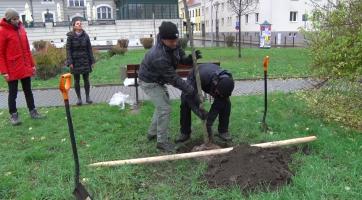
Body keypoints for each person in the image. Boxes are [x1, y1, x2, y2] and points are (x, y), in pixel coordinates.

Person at [138, 21, 201, 153]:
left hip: (159, 80)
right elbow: (174, 79)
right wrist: (190, 90)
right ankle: (161, 142)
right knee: (164, 108)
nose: (174, 43)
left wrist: (189, 59)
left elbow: (180, 57)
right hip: (149, 82)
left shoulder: (173, 43)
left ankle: (152, 133)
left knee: (162, 105)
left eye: (175, 40)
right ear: (162, 39)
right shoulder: (158, 55)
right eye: (171, 41)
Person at [0, 8, 44, 126]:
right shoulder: (3, 31)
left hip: (24, 67)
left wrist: (32, 65)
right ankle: (14, 115)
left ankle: (33, 111)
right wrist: (4, 72)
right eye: (14, 19)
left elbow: (27, 50)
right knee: (12, 93)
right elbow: (1, 54)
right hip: (12, 68)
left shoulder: (22, 29)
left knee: (28, 91)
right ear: (9, 20)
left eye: (17, 18)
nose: (16, 21)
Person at [176, 63, 235, 143]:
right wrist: (199, 112)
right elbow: (189, 97)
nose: (220, 95)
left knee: (226, 103)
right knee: (185, 102)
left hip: (211, 81)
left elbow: (218, 105)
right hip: (196, 76)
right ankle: (185, 133)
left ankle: (223, 131)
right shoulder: (201, 76)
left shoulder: (227, 81)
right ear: (216, 84)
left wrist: (209, 121)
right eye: (219, 93)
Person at [66, 18, 95, 106]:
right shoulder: (70, 36)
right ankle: (79, 98)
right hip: (75, 61)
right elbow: (68, 50)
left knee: (86, 79)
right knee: (76, 80)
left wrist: (92, 61)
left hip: (85, 60)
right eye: (77, 24)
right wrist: (70, 61)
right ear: (74, 26)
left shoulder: (86, 36)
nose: (79, 25)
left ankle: (87, 97)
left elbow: (89, 48)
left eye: (80, 23)